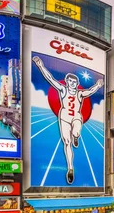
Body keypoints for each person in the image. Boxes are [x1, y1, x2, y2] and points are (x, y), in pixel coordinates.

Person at [32, 56, 104, 185]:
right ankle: (70, 168)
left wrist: (98, 85)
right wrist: (40, 66)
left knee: (76, 132)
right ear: (67, 82)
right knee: (66, 142)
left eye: (74, 82)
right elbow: (50, 79)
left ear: (76, 84)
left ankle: (76, 135)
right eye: (70, 81)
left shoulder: (80, 93)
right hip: (64, 116)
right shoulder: (63, 89)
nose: (72, 83)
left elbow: (90, 91)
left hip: (76, 116)